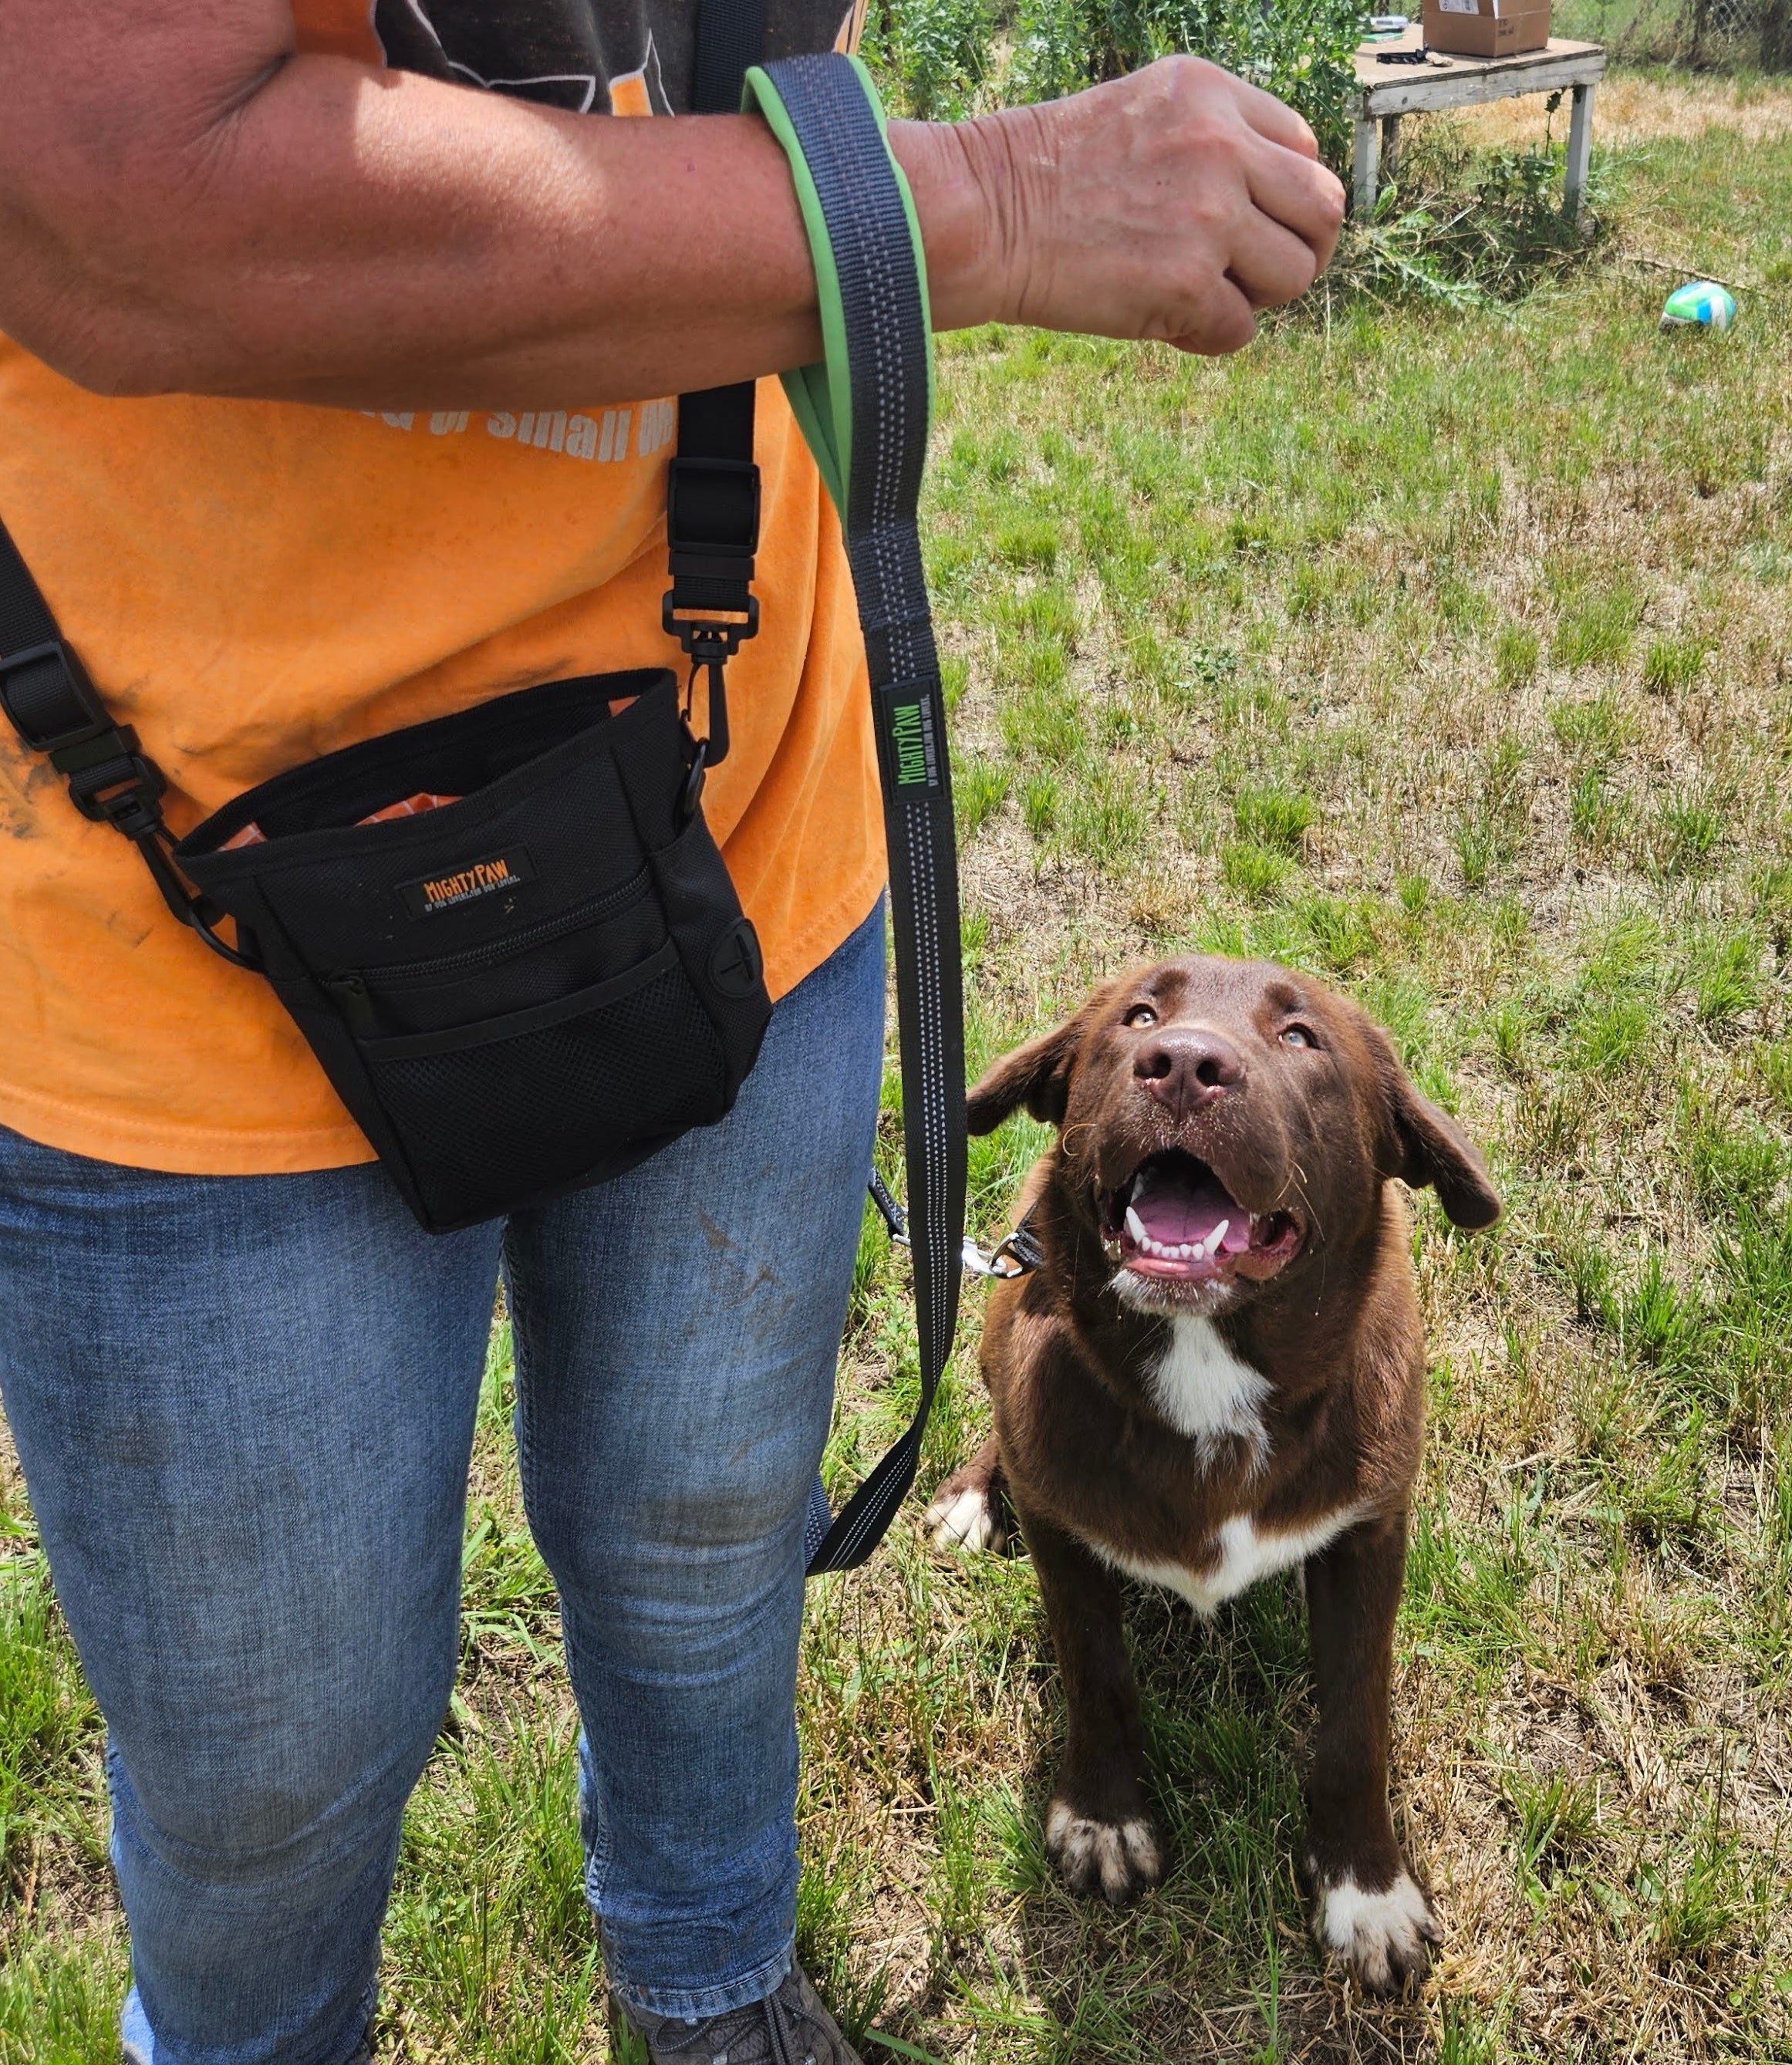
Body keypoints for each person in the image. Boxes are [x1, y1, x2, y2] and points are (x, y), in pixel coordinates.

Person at [0, 5, 1344, 2061]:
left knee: (710, 1532)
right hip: (166, 898)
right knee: (272, 1754)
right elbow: (113, 203)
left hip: (724, 793)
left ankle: (710, 1977)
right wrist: (973, 207)